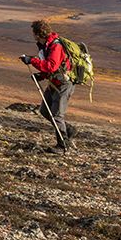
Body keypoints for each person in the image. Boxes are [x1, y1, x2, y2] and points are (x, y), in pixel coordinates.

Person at [20, 19, 78, 153]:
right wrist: (40, 76)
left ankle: (63, 146)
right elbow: (53, 68)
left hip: (63, 84)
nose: (33, 35)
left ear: (38, 34)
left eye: (34, 33)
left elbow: (52, 66)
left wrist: (32, 61)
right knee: (45, 111)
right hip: (54, 82)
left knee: (57, 115)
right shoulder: (46, 46)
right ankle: (69, 130)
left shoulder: (55, 46)